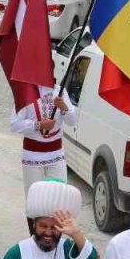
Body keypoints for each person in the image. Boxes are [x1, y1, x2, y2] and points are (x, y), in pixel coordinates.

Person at [11, 87, 78, 228]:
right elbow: (15, 124)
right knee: (34, 198)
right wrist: (39, 125)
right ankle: (35, 234)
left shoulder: (60, 91)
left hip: (55, 153)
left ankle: (56, 233)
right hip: (33, 154)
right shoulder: (25, 92)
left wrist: (63, 107)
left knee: (59, 195)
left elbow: (72, 120)